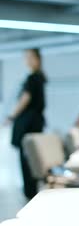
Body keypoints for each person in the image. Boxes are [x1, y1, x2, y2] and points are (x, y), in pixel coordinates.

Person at [5, 48, 47, 199]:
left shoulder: (33, 78)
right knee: (32, 157)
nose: (27, 60)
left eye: (29, 57)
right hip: (35, 123)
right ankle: (32, 190)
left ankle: (30, 192)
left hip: (28, 123)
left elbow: (25, 98)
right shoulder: (40, 77)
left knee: (27, 159)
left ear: (37, 58)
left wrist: (11, 116)